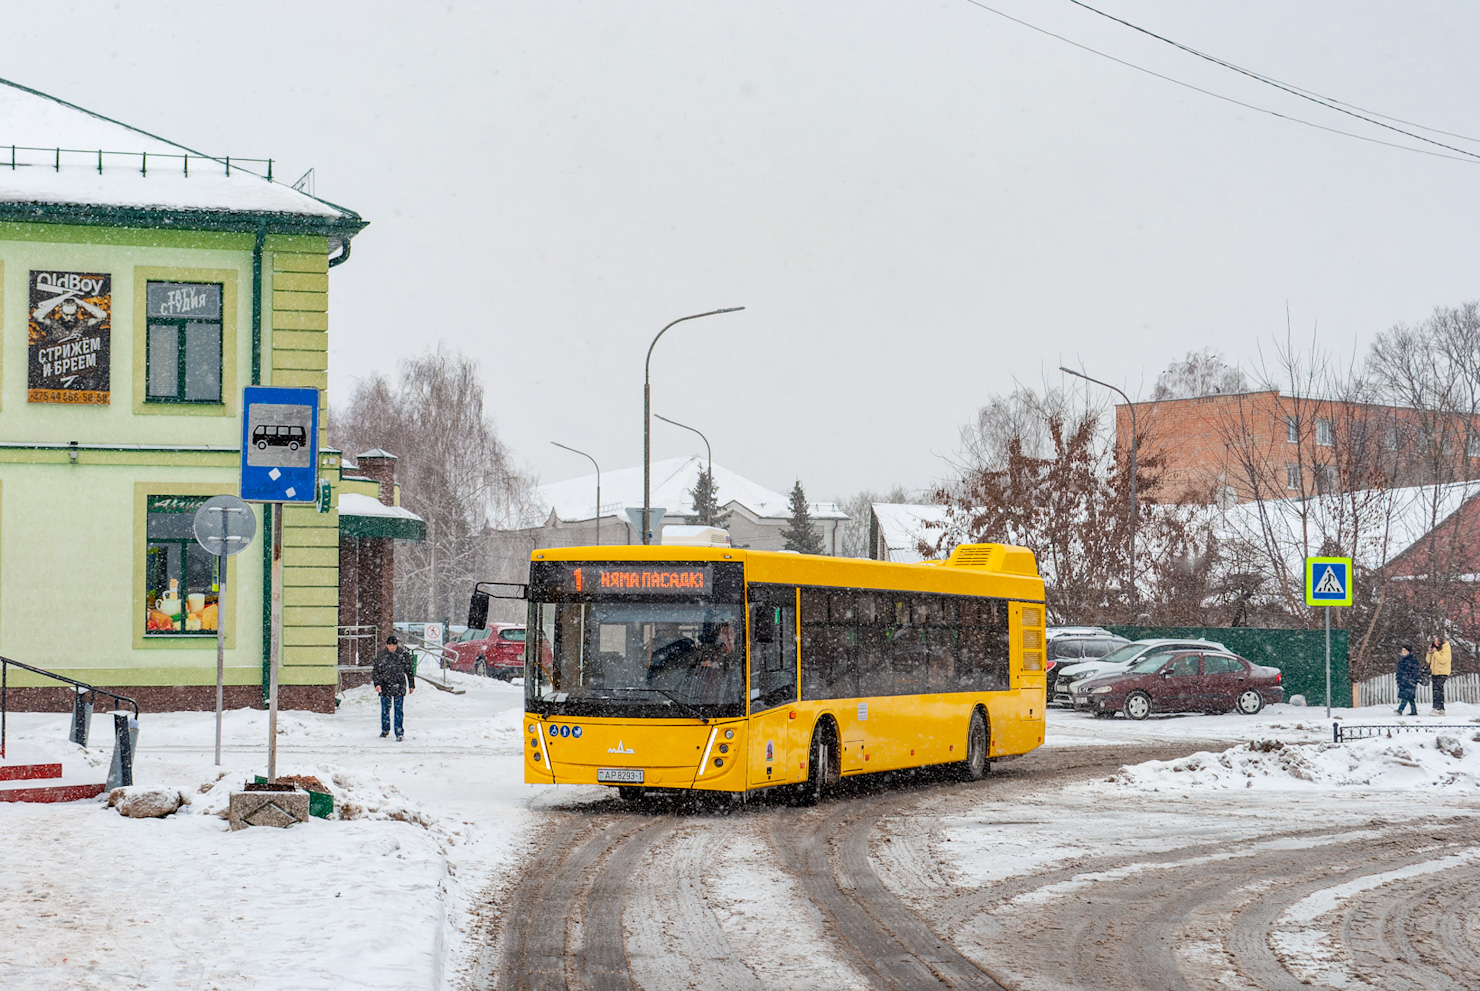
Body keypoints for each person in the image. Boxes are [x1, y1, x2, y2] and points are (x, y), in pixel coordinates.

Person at [372, 635, 416, 740]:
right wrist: (377, 684)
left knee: (398, 710)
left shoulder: (402, 655)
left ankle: (399, 732)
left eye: (393, 645)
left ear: (396, 645)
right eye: (390, 645)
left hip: (399, 685)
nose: (392, 647)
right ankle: (385, 729)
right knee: (385, 710)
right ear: (387, 645)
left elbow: (409, 671)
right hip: (385, 685)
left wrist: (411, 684)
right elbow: (376, 672)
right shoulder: (381, 656)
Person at [1425, 636, 1451, 717]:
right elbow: (1428, 661)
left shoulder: (1446, 648)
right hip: (1435, 672)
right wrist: (1430, 652)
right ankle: (1441, 708)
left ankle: (1436, 707)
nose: (1435, 643)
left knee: (1437, 690)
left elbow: (1443, 660)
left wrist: (1435, 652)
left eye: (1437, 641)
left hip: (1442, 672)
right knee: (1438, 690)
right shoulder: (1435, 649)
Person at [1395, 645, 1420, 716]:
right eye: (1403, 650)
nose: (1403, 652)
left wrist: (1413, 679)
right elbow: (1399, 670)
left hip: (1409, 680)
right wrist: (1399, 678)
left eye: (1405, 650)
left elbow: (1415, 671)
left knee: (1406, 696)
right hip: (1403, 680)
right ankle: (1414, 710)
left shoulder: (1412, 660)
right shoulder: (1402, 659)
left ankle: (1400, 709)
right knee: (1410, 697)